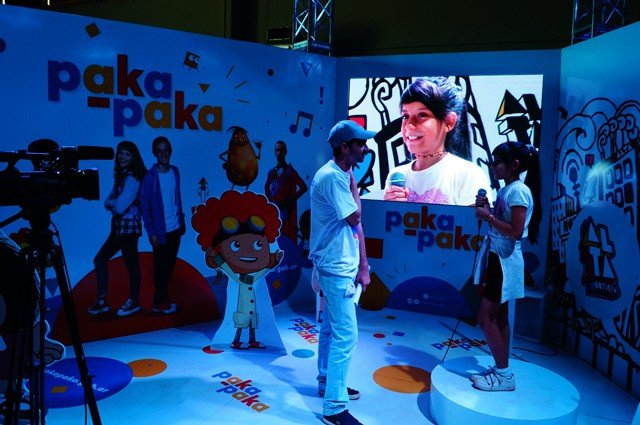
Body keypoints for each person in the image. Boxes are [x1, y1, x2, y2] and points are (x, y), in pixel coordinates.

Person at [309, 120, 373, 425]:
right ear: (345, 147)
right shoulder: (335, 177)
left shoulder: (339, 174)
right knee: (346, 336)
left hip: (335, 263)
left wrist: (363, 265)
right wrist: (353, 184)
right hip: (335, 267)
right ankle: (334, 407)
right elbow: (355, 218)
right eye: (360, 144)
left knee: (330, 329)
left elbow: (355, 227)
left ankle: (327, 383)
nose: (366, 148)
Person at [471, 141, 541, 391]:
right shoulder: (508, 189)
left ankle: (503, 374)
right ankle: (502, 368)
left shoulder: (518, 191)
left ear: (514, 165)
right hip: (499, 257)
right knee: (499, 316)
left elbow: (515, 231)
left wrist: (488, 216)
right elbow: (504, 222)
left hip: (504, 260)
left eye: (498, 162)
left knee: (485, 317)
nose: (493, 167)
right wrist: (487, 210)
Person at [383, 77, 491, 205]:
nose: (409, 125)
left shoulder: (468, 174)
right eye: (405, 116)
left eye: (422, 115)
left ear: (449, 122)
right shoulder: (396, 176)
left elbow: (476, 218)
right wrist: (387, 208)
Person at [88, 141, 146, 317]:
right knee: (100, 259)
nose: (122, 157)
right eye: (121, 153)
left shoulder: (133, 178)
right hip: (118, 226)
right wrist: (114, 203)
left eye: (127, 154)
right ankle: (102, 300)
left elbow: (118, 207)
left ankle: (134, 300)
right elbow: (108, 202)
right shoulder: (122, 176)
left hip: (129, 226)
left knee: (131, 265)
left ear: (134, 157)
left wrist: (114, 203)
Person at [139, 136, 186, 314]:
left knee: (170, 266)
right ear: (154, 153)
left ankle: (162, 300)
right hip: (159, 232)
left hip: (175, 228)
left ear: (170, 151)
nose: (163, 154)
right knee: (160, 268)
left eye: (166, 150)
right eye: (159, 151)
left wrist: (181, 220)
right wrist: (151, 232)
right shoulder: (149, 177)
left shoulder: (175, 172)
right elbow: (145, 207)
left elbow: (176, 197)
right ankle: (158, 303)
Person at [264, 140, 308, 242]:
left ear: (286, 152)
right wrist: (271, 202)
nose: (279, 152)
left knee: (285, 236)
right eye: (277, 150)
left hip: (286, 212)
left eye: (282, 150)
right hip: (274, 210)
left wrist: (290, 199)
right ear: (274, 152)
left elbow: (303, 187)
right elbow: (266, 188)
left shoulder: (290, 172)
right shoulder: (271, 172)